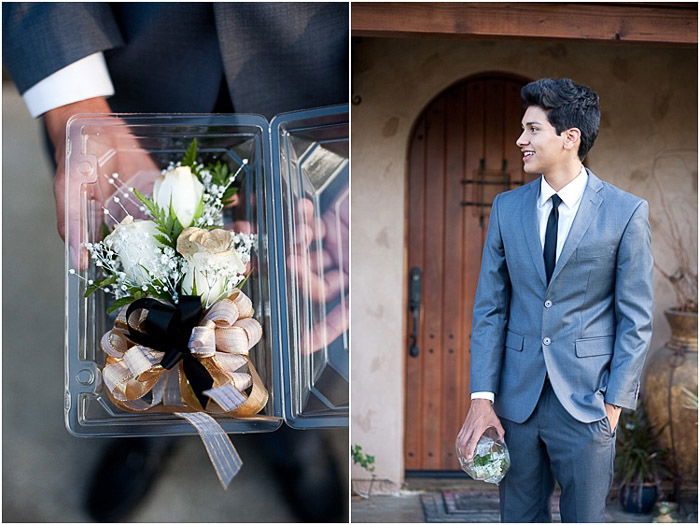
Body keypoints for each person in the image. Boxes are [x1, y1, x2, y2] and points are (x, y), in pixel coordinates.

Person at [3, 2, 348, 522]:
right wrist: (76, 102)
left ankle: (290, 428)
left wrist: (390, 110)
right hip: (131, 86)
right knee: (133, 285)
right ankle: (152, 418)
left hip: (324, 96)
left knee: (306, 304)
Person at [456, 78, 653, 522]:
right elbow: (490, 307)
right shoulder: (507, 208)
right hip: (517, 405)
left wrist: (613, 404)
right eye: (522, 130)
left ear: (569, 138)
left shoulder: (626, 212)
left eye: (532, 129)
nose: (520, 140)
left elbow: (635, 318)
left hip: (588, 403)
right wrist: (482, 397)